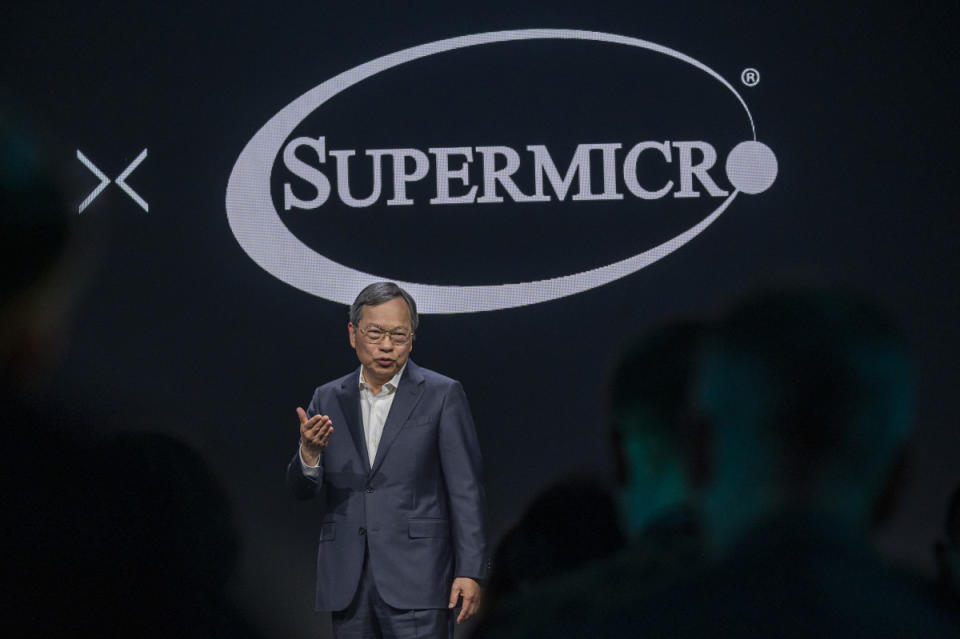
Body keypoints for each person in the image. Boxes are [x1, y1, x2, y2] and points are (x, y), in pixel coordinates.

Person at [286, 282, 488, 639]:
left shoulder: (442, 395)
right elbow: (301, 491)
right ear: (353, 333)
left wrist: (470, 569)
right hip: (348, 578)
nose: (386, 345)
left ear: (412, 338)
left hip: (419, 577)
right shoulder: (327, 397)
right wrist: (310, 454)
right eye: (375, 332)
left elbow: (465, 489)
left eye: (399, 334)